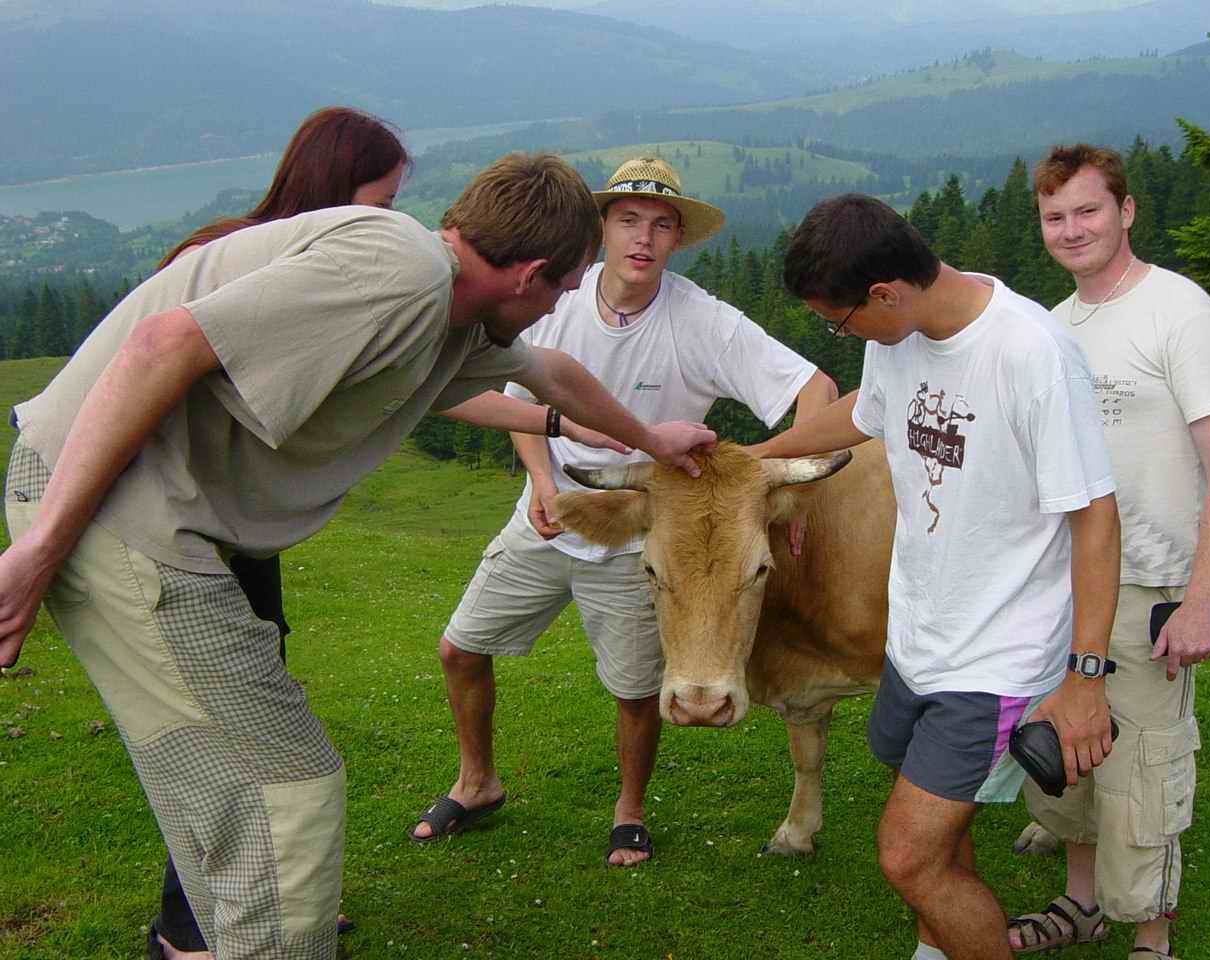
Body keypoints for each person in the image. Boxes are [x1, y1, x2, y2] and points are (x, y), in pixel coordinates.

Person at [0, 152, 716, 960]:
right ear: (530, 276)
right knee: (285, 791)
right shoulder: (402, 271)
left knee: (230, 782)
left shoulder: (453, 312)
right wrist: (42, 546)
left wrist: (648, 438)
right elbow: (160, 345)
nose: (562, 303)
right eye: (563, 286)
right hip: (110, 506)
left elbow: (551, 373)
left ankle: (206, 940)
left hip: (150, 514)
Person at [408, 157, 838, 866]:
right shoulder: (559, 297)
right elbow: (517, 394)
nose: (644, 238)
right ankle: (476, 781)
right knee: (461, 649)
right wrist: (540, 482)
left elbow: (814, 386)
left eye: (662, 225)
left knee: (637, 690)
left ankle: (629, 813)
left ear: (678, 239)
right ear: (601, 229)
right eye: (628, 220)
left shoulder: (703, 320)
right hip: (553, 509)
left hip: (646, 528)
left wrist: (778, 493)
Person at [748, 193, 1120, 960]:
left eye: (840, 322)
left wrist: (1085, 678)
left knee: (908, 857)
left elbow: (1095, 521)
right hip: (916, 643)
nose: (842, 335)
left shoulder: (1031, 353)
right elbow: (865, 412)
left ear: (884, 293)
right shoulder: (900, 334)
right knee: (941, 842)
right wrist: (756, 457)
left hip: (996, 660)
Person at [146, 103, 411, 960]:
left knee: (253, 713)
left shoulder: (310, 269)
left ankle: (267, 896)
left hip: (238, 535)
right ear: (334, 188)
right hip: (183, 532)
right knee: (219, 737)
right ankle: (188, 932)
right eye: (380, 203)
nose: (389, 223)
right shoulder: (231, 262)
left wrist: (556, 420)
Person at [1006, 144, 1210, 960]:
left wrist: (1199, 601)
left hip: (1154, 589)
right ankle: (1080, 904)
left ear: (1127, 211)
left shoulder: (1180, 312)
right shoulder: (1053, 326)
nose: (1072, 229)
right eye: (1054, 216)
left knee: (1145, 770)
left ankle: (1151, 938)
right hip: (1068, 585)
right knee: (1070, 755)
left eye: (1088, 210)